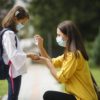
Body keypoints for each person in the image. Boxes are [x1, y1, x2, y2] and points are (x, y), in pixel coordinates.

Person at [33, 20, 98, 100]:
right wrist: (40, 47)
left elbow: (60, 79)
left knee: (48, 95)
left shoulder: (74, 55)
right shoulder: (69, 54)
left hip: (82, 98)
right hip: (78, 96)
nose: (57, 38)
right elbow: (52, 62)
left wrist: (46, 62)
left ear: (68, 36)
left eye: (59, 35)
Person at [1, 5, 38, 100]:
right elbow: (13, 54)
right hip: (12, 71)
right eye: (22, 22)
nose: (22, 25)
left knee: (13, 96)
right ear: (15, 18)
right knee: (13, 97)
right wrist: (28, 55)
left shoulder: (10, 33)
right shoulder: (9, 34)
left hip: (14, 70)